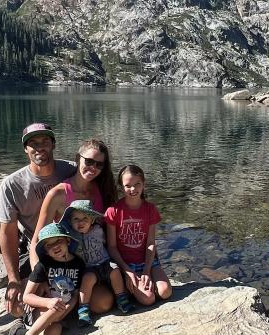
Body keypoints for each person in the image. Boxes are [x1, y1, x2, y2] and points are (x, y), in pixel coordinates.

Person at [30, 138, 118, 313]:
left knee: (105, 302)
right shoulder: (58, 194)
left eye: (99, 165)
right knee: (102, 303)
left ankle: (76, 302)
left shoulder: (102, 188)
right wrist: (41, 278)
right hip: (69, 269)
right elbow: (36, 240)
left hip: (98, 262)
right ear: (78, 158)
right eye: (89, 161)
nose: (93, 168)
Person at [0, 123, 76, 317]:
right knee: (16, 307)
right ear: (26, 149)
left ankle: (58, 310)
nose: (40, 147)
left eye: (45, 141)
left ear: (53, 144)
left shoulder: (71, 170)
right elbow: (7, 233)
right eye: (33, 143)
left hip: (72, 245)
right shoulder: (11, 185)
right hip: (37, 248)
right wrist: (13, 279)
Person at [105, 164, 172, 306]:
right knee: (148, 299)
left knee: (165, 292)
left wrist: (147, 271)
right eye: (128, 185)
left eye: (137, 184)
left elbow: (150, 243)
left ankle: (140, 284)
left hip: (147, 262)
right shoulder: (113, 211)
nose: (133, 189)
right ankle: (129, 286)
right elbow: (111, 247)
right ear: (121, 187)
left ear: (143, 184)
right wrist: (127, 270)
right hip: (126, 264)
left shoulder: (150, 209)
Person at [60, 200, 133, 327]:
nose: (81, 222)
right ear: (70, 221)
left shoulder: (98, 230)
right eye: (76, 219)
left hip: (104, 261)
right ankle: (83, 309)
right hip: (88, 267)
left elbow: (107, 243)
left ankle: (122, 298)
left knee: (115, 271)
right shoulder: (70, 236)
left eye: (85, 218)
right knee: (87, 279)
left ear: (92, 220)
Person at [15, 222, 85, 335]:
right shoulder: (43, 265)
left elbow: (76, 294)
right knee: (56, 308)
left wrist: (65, 310)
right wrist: (48, 302)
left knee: (55, 330)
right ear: (45, 250)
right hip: (44, 309)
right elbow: (27, 296)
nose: (55, 246)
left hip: (63, 312)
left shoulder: (78, 263)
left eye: (59, 241)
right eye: (49, 245)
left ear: (68, 241)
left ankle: (20, 332)